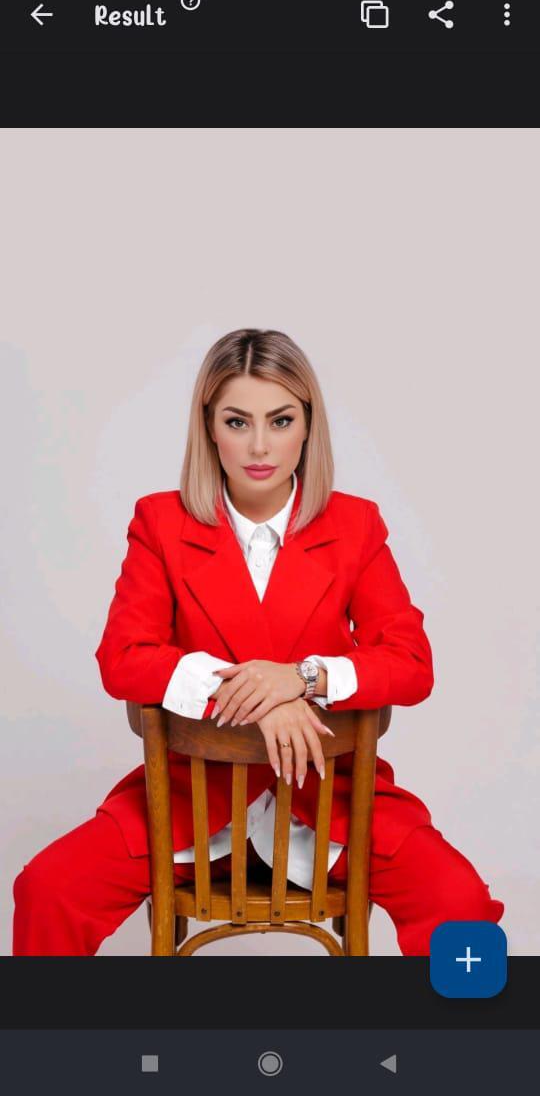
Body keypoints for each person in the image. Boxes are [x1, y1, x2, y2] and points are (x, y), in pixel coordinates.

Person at [12, 328, 505, 955]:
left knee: (460, 906)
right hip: (191, 803)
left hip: (332, 803)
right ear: (209, 427)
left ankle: (460, 1025)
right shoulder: (160, 522)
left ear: (308, 426)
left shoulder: (355, 524)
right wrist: (262, 697)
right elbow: (124, 659)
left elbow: (410, 663)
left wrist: (301, 678)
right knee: (48, 889)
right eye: (237, 421)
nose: (260, 445)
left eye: (281, 420)